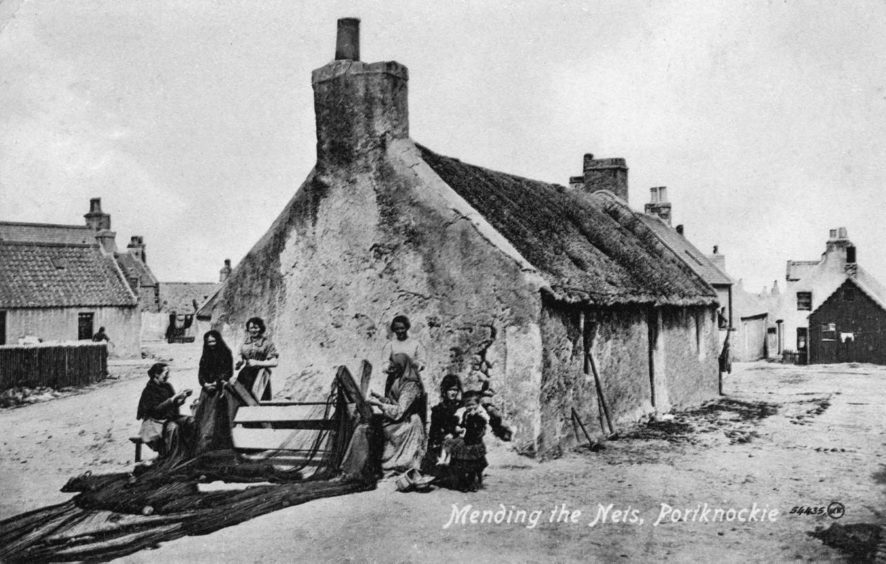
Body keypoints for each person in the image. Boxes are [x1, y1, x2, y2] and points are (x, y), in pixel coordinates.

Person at [366, 353, 427, 476]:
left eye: (394, 366)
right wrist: (380, 398)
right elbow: (394, 402)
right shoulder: (397, 379)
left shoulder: (411, 384)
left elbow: (399, 411)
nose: (391, 368)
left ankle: (394, 466)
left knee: (378, 430)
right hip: (400, 420)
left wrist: (378, 404)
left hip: (408, 424)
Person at [136, 362, 194, 467]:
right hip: (156, 422)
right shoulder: (149, 390)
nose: (168, 376)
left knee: (191, 421)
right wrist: (172, 399)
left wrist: (183, 397)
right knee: (173, 427)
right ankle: (171, 458)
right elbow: (156, 410)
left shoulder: (167, 386)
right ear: (156, 375)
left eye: (168, 373)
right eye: (165, 373)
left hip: (170, 417)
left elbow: (175, 405)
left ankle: (188, 455)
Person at [193, 330, 235, 454]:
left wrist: (216, 382)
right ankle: (202, 445)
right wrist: (204, 383)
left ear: (218, 340)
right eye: (209, 342)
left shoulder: (226, 353)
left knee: (216, 418)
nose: (211, 344)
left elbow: (228, 371)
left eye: (213, 341)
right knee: (202, 416)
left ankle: (216, 446)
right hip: (207, 390)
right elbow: (201, 372)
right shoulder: (205, 354)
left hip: (219, 389)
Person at [447, 390, 489, 491]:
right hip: (466, 441)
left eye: (472, 405)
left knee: (474, 465)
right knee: (461, 463)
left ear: (478, 404)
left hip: (475, 441)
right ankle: (463, 483)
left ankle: (472, 483)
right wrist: (458, 427)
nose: (470, 407)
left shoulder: (480, 414)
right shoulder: (465, 413)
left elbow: (482, 425)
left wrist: (475, 416)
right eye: (467, 405)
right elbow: (461, 423)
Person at [423, 374, 462, 474]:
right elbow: (433, 431)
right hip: (442, 442)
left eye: (455, 390)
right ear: (444, 391)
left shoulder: (461, 407)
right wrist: (442, 436)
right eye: (450, 390)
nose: (453, 393)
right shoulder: (438, 409)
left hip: (458, 441)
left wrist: (454, 434)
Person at [235, 317, 279, 401]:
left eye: (256, 327)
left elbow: (274, 362)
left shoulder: (267, 343)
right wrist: (239, 361)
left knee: (260, 400)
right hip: (245, 375)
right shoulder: (244, 343)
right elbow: (240, 356)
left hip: (260, 376)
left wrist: (257, 362)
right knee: (241, 400)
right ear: (248, 329)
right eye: (251, 328)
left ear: (261, 328)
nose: (254, 330)